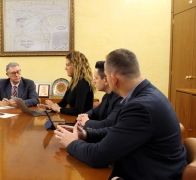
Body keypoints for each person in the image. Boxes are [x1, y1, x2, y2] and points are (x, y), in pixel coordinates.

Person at [54, 49, 186, 179]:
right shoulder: (147, 94)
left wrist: (72, 143)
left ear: (113, 79)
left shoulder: (139, 107)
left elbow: (98, 156)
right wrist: (86, 135)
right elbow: (119, 130)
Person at [41, 51, 95, 116]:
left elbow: (78, 111)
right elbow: (63, 103)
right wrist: (52, 107)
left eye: (68, 65)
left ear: (76, 66)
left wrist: (59, 109)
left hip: (83, 123)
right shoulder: (73, 82)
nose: (65, 68)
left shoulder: (83, 83)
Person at [76, 61, 123, 130]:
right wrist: (84, 115)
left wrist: (86, 122)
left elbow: (108, 124)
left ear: (106, 80)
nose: (93, 81)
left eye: (96, 78)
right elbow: (94, 112)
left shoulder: (120, 99)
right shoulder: (106, 97)